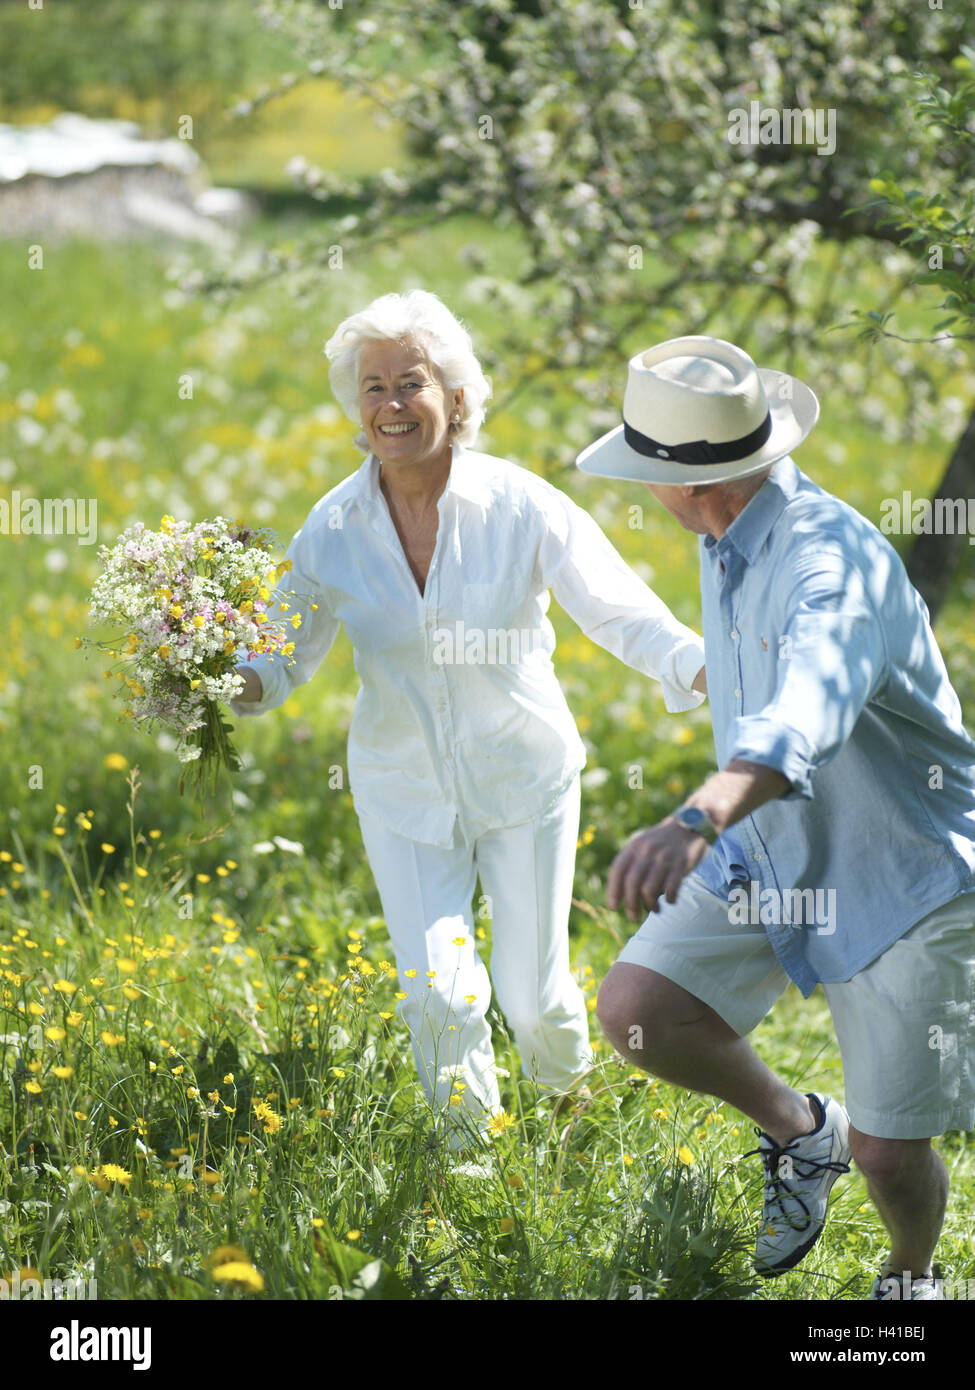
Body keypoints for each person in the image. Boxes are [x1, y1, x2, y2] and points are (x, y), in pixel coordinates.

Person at [227, 290, 706, 1144]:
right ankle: (474, 1172)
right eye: (372, 388)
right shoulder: (332, 526)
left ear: (454, 396)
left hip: (522, 777)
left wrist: (698, 664)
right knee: (438, 993)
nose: (390, 405)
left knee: (534, 998)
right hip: (403, 787)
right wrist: (226, 684)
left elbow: (617, 609)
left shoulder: (521, 504)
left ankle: (572, 1126)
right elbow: (283, 648)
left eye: (409, 382)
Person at [577, 334, 975, 1299]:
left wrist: (694, 819)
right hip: (768, 853)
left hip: (898, 873)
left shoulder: (831, 566)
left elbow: (805, 708)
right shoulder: (728, 535)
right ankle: (804, 1132)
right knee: (638, 1015)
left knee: (891, 1154)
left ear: (684, 483)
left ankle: (911, 1281)